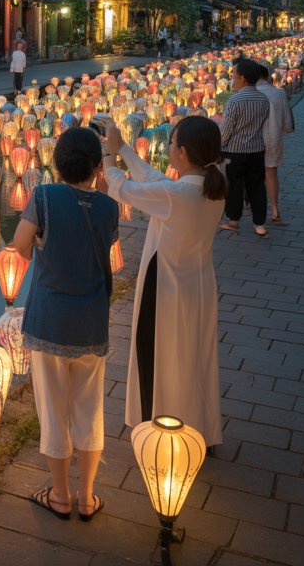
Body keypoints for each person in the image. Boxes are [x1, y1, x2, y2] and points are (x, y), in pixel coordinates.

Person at [98, 115, 227, 450]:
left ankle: (162, 427)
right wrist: (124, 147)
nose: (168, 149)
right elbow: (154, 180)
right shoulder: (211, 187)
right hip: (197, 286)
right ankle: (198, 428)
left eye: (171, 143)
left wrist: (109, 157)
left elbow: (124, 189)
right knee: (194, 359)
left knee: (163, 357)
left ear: (182, 152)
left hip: (166, 289)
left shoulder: (176, 195)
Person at [14, 127, 119, 522]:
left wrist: (45, 260)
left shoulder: (44, 196)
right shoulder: (109, 208)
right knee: (90, 410)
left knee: (53, 411)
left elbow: (21, 245)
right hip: (92, 323)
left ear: (56, 163)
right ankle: (88, 497)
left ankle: (59, 495)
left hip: (50, 321)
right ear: (96, 167)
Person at [219, 58, 270, 237]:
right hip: (256, 149)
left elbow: (227, 129)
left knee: (234, 185)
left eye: (233, 75)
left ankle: (233, 220)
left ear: (242, 77)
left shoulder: (235, 100)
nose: (231, 78)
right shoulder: (264, 99)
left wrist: (220, 146)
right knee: (257, 186)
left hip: (235, 151)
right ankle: (260, 224)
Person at [256, 61, 295, 224]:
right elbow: (287, 125)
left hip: (253, 139)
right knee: (271, 174)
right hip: (273, 139)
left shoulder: (251, 93)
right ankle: (275, 208)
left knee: (254, 175)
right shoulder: (279, 93)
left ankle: (254, 207)